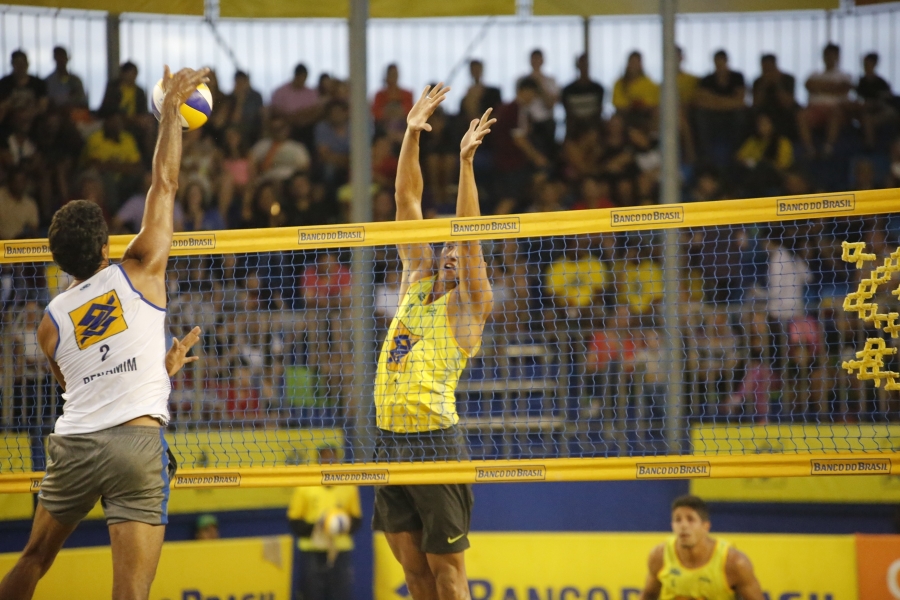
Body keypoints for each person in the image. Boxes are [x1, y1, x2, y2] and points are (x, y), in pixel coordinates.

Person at [0, 66, 209, 600]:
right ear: (104, 246)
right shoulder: (139, 267)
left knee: (32, 560)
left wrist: (155, 368)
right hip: (136, 445)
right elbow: (164, 183)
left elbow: (79, 384)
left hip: (74, 443)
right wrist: (170, 119)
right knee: (130, 594)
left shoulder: (49, 321)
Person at [372, 83, 495, 600]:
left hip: (434, 441)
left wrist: (465, 164)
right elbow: (407, 201)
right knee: (414, 573)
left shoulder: (469, 305)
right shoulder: (416, 281)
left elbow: (468, 236)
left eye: (453, 250)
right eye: (442, 246)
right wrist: (411, 134)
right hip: (388, 436)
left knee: (447, 575)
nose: (447, 251)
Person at [639, 495, 765, 600]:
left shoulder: (735, 563)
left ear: (706, 526)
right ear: (672, 525)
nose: (683, 526)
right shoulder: (659, 555)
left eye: (690, 519)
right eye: (678, 520)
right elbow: (648, 596)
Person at [287, 444, 361, 600]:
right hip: (312, 549)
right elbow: (294, 521)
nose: (330, 461)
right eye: (326, 457)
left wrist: (342, 525)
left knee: (341, 594)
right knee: (313, 594)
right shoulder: (305, 486)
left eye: (333, 458)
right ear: (318, 460)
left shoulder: (348, 486)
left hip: (340, 549)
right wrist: (319, 526)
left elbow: (357, 520)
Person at [694, 49, 747, 167]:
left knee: (740, 115)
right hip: (713, 117)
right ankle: (706, 156)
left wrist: (714, 100)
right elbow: (701, 102)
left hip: (732, 116)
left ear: (726, 61)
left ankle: (737, 153)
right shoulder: (707, 80)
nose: (719, 66)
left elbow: (740, 101)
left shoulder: (737, 77)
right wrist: (729, 102)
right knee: (701, 115)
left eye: (721, 62)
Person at [798, 43, 853, 158]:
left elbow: (843, 88)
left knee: (836, 113)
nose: (829, 58)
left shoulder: (844, 75)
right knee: (801, 115)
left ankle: (828, 147)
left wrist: (820, 87)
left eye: (832, 55)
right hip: (815, 109)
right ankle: (809, 148)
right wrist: (832, 87)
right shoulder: (815, 74)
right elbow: (809, 85)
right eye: (827, 55)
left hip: (834, 110)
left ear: (838, 57)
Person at [561, 53, 605, 132]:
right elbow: (568, 112)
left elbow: (599, 110)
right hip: (575, 127)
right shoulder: (567, 90)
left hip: (593, 127)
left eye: (585, 64)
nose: (583, 67)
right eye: (581, 64)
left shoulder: (598, 89)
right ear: (577, 66)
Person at [44, 46, 88, 111]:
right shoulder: (48, 81)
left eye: (62, 56)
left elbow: (82, 101)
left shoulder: (76, 80)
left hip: (75, 113)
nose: (61, 60)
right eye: (58, 56)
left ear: (67, 58)